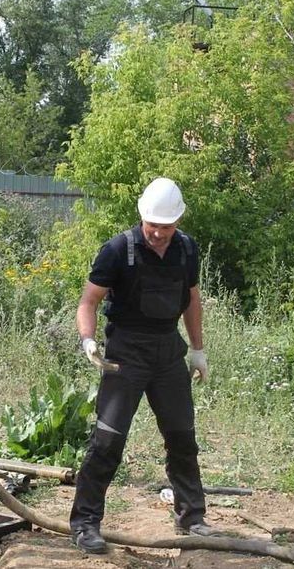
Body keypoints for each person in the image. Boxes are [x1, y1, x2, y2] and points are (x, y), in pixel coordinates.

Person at [70, 177, 212, 554]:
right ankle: (85, 524)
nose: (159, 233)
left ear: (178, 221)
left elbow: (192, 301)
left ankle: (191, 517)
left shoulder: (186, 250)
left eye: (166, 226)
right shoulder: (118, 249)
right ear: (142, 217)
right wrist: (88, 340)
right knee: (107, 439)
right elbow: (88, 301)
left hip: (168, 352)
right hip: (125, 353)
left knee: (182, 436)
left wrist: (198, 350)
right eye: (153, 225)